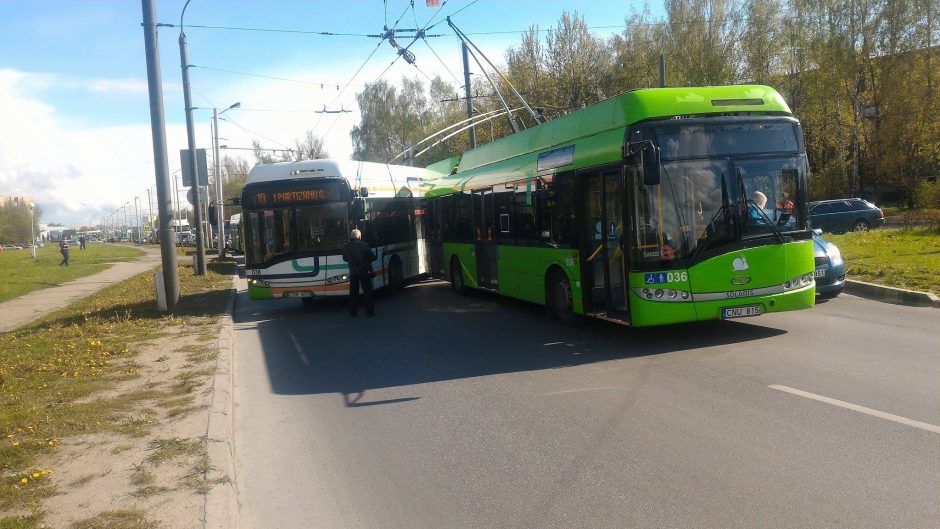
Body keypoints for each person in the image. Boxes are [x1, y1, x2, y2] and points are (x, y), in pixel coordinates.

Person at [342, 228, 376, 317]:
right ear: (359, 236)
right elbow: (372, 257)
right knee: (367, 292)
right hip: (364, 271)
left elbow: (344, 258)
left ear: (351, 237)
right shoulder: (364, 245)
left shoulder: (346, 246)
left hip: (353, 273)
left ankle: (353, 312)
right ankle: (370, 312)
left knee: (353, 293)